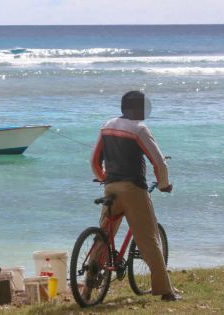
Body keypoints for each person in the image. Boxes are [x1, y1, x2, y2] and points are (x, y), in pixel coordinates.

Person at [89, 91, 181, 301]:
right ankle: (166, 291)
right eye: (142, 106)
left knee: (104, 234)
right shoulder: (139, 129)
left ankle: (90, 280)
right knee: (148, 239)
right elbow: (159, 163)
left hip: (110, 188)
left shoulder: (107, 126)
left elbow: (94, 161)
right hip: (133, 190)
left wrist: (104, 178)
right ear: (136, 109)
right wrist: (165, 185)